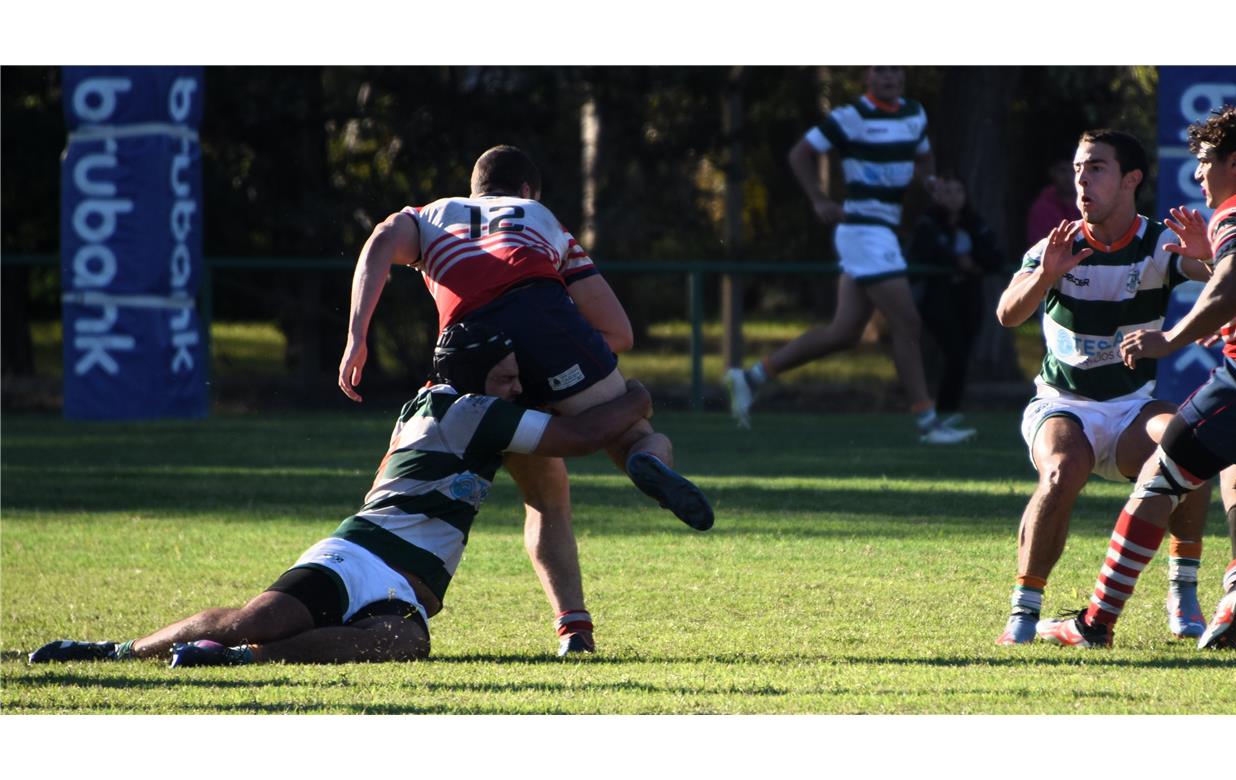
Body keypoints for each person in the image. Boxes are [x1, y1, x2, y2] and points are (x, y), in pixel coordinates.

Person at [30, 323, 655, 666]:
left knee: (403, 643)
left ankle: (241, 661)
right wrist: (637, 399)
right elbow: (582, 435)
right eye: (508, 374)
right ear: (472, 373)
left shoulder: (453, 404)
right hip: (360, 553)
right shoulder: (464, 408)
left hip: (405, 588)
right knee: (261, 616)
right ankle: (115, 650)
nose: (518, 386)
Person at [338, 145, 713, 656]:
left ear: (474, 190)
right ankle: (646, 461)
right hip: (544, 315)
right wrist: (568, 371)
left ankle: (573, 628)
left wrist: (358, 335)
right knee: (633, 428)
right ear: (527, 191)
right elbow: (619, 331)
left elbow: (381, 241)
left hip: (474, 356)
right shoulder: (541, 219)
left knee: (544, 495)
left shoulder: (430, 214)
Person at [1037, 99, 1236, 649]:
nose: (1198, 174)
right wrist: (1232, 312)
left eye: (1206, 161)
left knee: (1161, 480)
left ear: (1235, 162)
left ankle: (1094, 624)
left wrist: (1171, 338)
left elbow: (1234, 281)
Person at [993, 129, 1214, 645]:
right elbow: (1007, 314)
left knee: (1192, 445)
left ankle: (1183, 590)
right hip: (1062, 404)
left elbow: (1218, 277)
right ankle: (1024, 615)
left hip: (1132, 408)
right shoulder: (1058, 245)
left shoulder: (1157, 242)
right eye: (1078, 169)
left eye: (1096, 167)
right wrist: (1044, 276)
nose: (1082, 179)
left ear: (1130, 178)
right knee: (1061, 472)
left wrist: (1208, 258)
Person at [724, 66, 973, 444]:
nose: (890, 76)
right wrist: (819, 199)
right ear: (867, 78)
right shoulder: (850, 116)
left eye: (896, 69)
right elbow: (800, 154)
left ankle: (751, 377)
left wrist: (930, 182)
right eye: (881, 70)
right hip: (862, 230)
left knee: (843, 333)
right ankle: (927, 424)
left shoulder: (914, 114)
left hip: (881, 232)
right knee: (907, 323)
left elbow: (924, 157)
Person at [905, 173, 1003, 440]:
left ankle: (949, 410)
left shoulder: (973, 221)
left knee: (963, 351)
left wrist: (972, 263)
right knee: (954, 350)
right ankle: (937, 410)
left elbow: (994, 255)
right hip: (937, 296)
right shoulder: (928, 224)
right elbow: (923, 253)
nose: (952, 197)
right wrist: (955, 261)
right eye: (946, 191)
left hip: (968, 295)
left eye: (957, 191)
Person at [1025, 158, 1079, 250]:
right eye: (1063, 170)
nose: (1068, 176)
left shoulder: (1092, 204)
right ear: (1052, 172)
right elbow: (1038, 249)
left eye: (1073, 170)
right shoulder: (1041, 209)